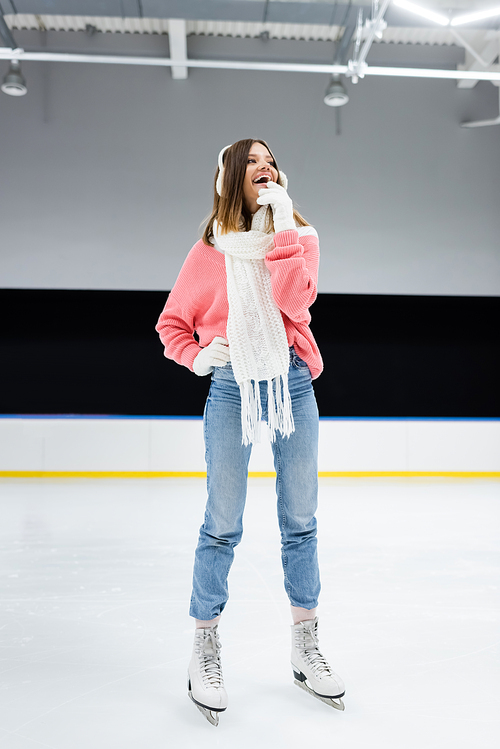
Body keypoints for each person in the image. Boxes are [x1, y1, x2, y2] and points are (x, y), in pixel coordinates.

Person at [155, 139, 345, 725]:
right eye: (253, 163)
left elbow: (297, 301)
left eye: (272, 161)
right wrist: (197, 357)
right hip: (232, 382)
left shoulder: (301, 238)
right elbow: (171, 324)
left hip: (291, 380)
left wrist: (285, 223)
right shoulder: (208, 252)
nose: (266, 168)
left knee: (301, 519)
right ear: (232, 179)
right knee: (223, 522)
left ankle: (305, 645)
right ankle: (204, 649)